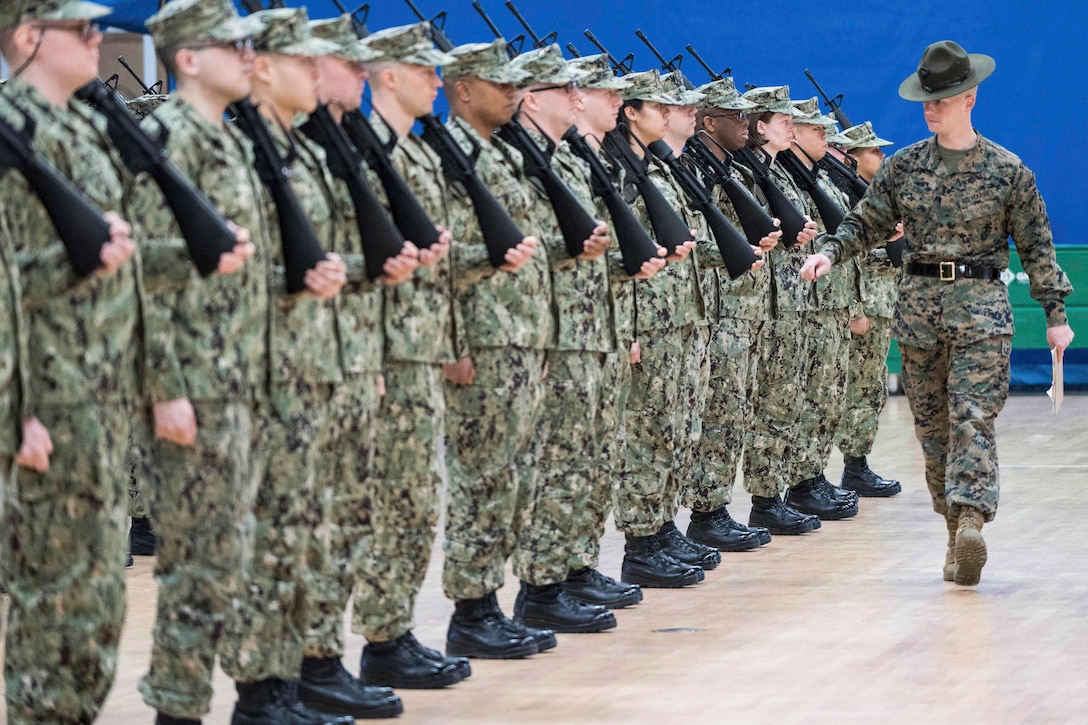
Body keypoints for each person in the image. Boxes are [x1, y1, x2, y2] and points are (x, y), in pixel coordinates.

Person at [801, 40, 1074, 586]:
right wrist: (829, 253)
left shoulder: (1007, 171)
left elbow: (1037, 245)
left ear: (969, 98)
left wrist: (1055, 312)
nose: (932, 109)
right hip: (920, 313)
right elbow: (865, 223)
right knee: (932, 432)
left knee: (973, 417)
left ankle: (972, 519)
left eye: (943, 100)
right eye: (927, 100)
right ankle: (953, 534)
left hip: (982, 313)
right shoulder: (902, 169)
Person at [0, 1, 142, 720]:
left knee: (96, 599)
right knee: (49, 598)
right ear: (28, 38)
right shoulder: (9, 128)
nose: (100, 39)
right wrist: (12, 412)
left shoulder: (84, 126)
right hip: (45, 399)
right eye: (82, 30)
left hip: (99, 390)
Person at [133, 0, 273, 722]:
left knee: (231, 556)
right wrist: (166, 388)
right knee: (195, 565)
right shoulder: (168, 141)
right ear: (188, 58)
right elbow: (144, 280)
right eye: (234, 44)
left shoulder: (225, 139)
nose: (250, 56)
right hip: (194, 382)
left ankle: (237, 696)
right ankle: (178, 708)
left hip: (238, 377)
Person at [212, 9, 352, 724]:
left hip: (310, 366)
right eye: (307, 60)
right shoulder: (235, 151)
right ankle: (260, 689)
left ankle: (289, 677)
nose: (322, 72)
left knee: (304, 530)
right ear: (265, 67)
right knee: (267, 534)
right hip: (261, 373)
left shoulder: (302, 154)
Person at [296, 13, 418, 719]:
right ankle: (308, 664)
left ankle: (337, 654)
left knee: (358, 513)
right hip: (321, 361)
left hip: (359, 351)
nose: (346, 72)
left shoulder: (340, 143)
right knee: (321, 519)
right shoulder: (311, 146)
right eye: (339, 60)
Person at [438, 38, 559, 658]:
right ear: (461, 88)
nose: (514, 93)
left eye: (518, 84)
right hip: (481, 344)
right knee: (481, 478)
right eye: (499, 83)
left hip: (519, 338)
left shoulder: (504, 157)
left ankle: (495, 600)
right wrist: (450, 344)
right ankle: (471, 610)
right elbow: (436, 260)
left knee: (513, 477)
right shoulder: (446, 159)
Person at [563, 52, 662, 605]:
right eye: (607, 95)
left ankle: (580, 568)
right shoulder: (575, 162)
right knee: (573, 456)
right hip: (573, 333)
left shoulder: (596, 162)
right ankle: (556, 580)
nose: (617, 105)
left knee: (600, 452)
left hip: (606, 324)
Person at [611, 69, 712, 588]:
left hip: (676, 315)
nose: (672, 113)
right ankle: (640, 543)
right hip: (648, 321)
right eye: (659, 105)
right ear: (633, 112)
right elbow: (621, 255)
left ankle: (661, 527)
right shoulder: (622, 169)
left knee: (673, 429)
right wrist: (626, 329)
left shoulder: (654, 166)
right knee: (646, 433)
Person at [684, 76, 775, 551]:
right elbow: (693, 238)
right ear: (708, 121)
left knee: (734, 411)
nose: (747, 124)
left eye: (747, 115)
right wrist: (737, 249)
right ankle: (705, 512)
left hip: (741, 307)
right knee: (717, 413)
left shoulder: (733, 168)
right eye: (735, 116)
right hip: (718, 309)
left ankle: (716, 507)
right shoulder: (695, 169)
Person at [734, 85, 824, 535]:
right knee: (756, 404)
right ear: (759, 127)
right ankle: (761, 500)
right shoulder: (744, 174)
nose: (790, 126)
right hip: (753, 306)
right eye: (781, 120)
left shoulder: (779, 174)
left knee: (783, 399)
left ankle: (774, 495)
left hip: (787, 302)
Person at [783, 97, 860, 519]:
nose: (826, 137)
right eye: (817, 129)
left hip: (828, 303)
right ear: (793, 131)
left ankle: (811, 476)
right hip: (803, 306)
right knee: (803, 397)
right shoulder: (782, 178)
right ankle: (799, 482)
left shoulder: (818, 178)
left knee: (826, 396)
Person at [830, 121, 903, 497]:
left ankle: (858, 463)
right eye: (874, 151)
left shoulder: (877, 195)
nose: (883, 156)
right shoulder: (844, 197)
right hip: (865, 304)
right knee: (856, 387)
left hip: (883, 302)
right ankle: (852, 467)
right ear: (852, 158)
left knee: (871, 387)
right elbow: (845, 255)